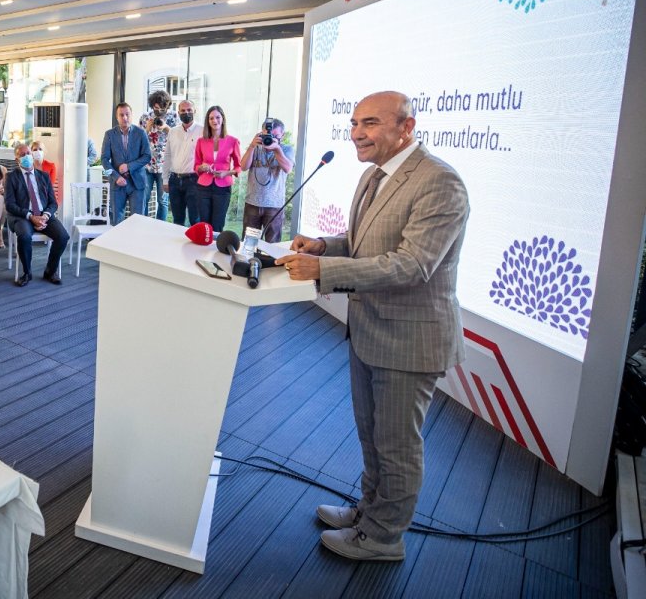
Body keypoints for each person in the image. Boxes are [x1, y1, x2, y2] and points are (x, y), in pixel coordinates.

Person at [276, 91, 469, 563]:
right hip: (369, 330)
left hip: (410, 338)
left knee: (397, 446)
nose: (356, 133)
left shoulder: (440, 182)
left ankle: (384, 538)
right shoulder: (372, 175)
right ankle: (369, 512)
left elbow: (412, 266)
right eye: (354, 123)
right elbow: (364, 243)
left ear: (407, 127)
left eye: (370, 123)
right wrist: (324, 246)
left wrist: (324, 270)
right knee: (372, 434)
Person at [4, 142, 69, 286]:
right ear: (17, 159)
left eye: (28, 153)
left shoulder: (43, 176)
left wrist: (45, 216)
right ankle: (27, 273)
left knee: (63, 236)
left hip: (44, 215)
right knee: (24, 236)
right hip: (23, 216)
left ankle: (50, 271)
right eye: (22, 155)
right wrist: (31, 216)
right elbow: (10, 205)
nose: (27, 156)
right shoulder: (11, 177)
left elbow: (53, 202)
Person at [243, 117, 294, 242]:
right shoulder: (255, 147)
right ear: (261, 133)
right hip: (253, 203)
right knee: (249, 244)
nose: (270, 138)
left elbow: (288, 168)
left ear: (282, 135)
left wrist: (277, 149)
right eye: (268, 135)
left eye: (275, 136)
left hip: (274, 206)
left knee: (272, 245)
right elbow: (243, 166)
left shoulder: (286, 149)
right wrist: (251, 146)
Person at [194, 105, 242, 233]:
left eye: (217, 117)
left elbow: (239, 167)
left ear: (223, 119)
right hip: (203, 187)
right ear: (208, 121)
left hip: (223, 188)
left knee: (218, 224)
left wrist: (227, 173)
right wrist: (202, 167)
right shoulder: (201, 141)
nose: (215, 121)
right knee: (204, 224)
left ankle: (216, 246)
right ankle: (203, 246)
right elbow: (196, 166)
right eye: (211, 118)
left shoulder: (233, 141)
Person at [101, 102, 151, 224]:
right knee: (116, 221)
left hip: (137, 183)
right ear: (117, 117)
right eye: (121, 115)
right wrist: (115, 176)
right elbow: (104, 160)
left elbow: (147, 156)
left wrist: (129, 166)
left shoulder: (141, 133)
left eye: (127, 114)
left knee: (138, 221)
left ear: (131, 115)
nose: (125, 118)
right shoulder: (109, 134)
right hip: (117, 184)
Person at [139, 89, 178, 221]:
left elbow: (180, 138)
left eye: (162, 109)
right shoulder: (145, 117)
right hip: (147, 165)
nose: (159, 111)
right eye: (156, 108)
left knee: (162, 200)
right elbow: (138, 140)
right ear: (152, 106)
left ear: (167, 106)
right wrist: (147, 128)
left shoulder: (173, 117)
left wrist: (166, 128)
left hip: (165, 166)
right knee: (144, 198)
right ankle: (143, 225)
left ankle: (160, 227)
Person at [162, 99, 201, 226]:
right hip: (174, 181)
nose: (186, 113)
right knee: (177, 220)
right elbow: (167, 155)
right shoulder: (173, 131)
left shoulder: (203, 131)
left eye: (189, 110)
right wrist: (165, 180)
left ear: (194, 111)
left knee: (195, 219)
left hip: (194, 180)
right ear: (178, 113)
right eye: (183, 110)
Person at [30, 140, 59, 205]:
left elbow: (50, 185)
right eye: (35, 150)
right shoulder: (28, 166)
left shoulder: (51, 166)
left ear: (44, 152)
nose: (38, 151)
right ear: (31, 152)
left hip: (47, 198)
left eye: (40, 149)